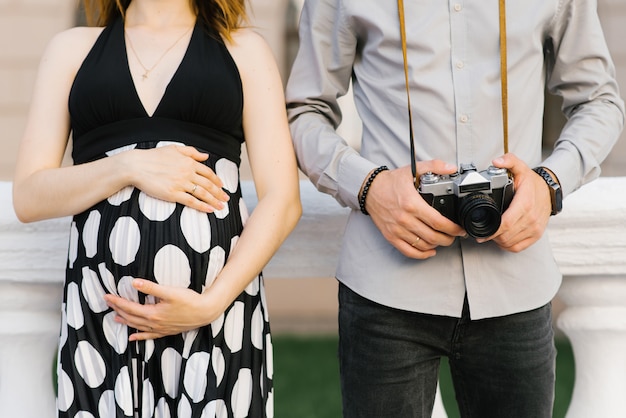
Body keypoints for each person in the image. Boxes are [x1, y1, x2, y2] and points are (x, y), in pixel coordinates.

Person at [285, 1, 624, 417]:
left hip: (515, 285)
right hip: (384, 289)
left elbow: (599, 101)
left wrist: (551, 183)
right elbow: (303, 111)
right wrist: (369, 187)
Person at [12, 0, 301, 416]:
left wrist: (209, 304)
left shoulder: (242, 50)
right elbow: (29, 195)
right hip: (103, 323)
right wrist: (128, 166)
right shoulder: (72, 50)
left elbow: (284, 199)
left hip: (216, 323)